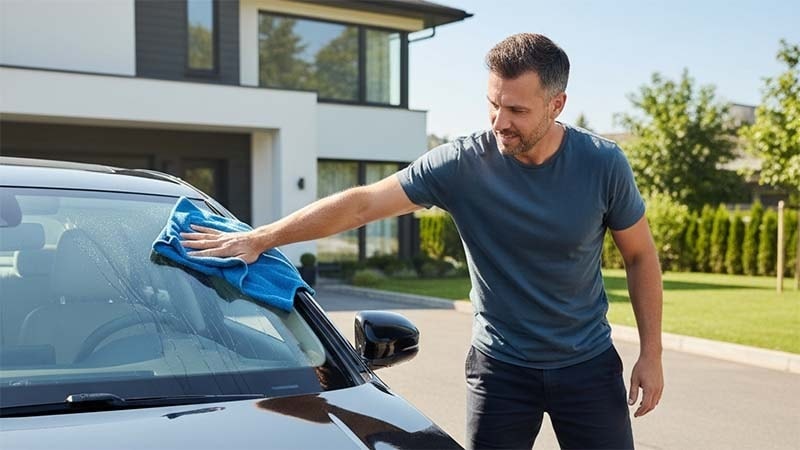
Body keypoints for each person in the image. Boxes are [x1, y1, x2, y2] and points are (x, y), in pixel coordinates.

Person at [181, 32, 663, 450]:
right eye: (493, 104)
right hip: (500, 370)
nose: (499, 122)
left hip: (587, 366)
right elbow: (364, 204)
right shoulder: (461, 165)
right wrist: (264, 237)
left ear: (556, 105)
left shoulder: (603, 164)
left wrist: (652, 353)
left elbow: (640, 255)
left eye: (516, 109)